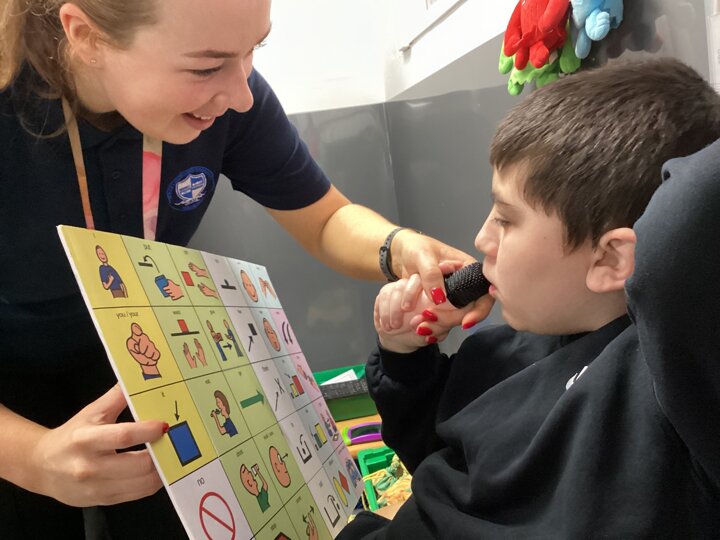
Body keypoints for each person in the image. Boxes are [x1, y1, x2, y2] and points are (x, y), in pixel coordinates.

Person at [0, 1, 480, 538]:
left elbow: (325, 218)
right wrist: (31, 459)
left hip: (138, 352)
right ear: (87, 37)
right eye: (206, 67)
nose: (242, 95)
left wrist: (398, 246)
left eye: (254, 50)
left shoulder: (230, 98)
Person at [339, 57, 720, 538]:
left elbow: (692, 209)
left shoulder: (670, 387)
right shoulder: (502, 350)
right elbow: (434, 453)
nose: (481, 238)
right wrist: (403, 354)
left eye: (505, 219)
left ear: (610, 258)